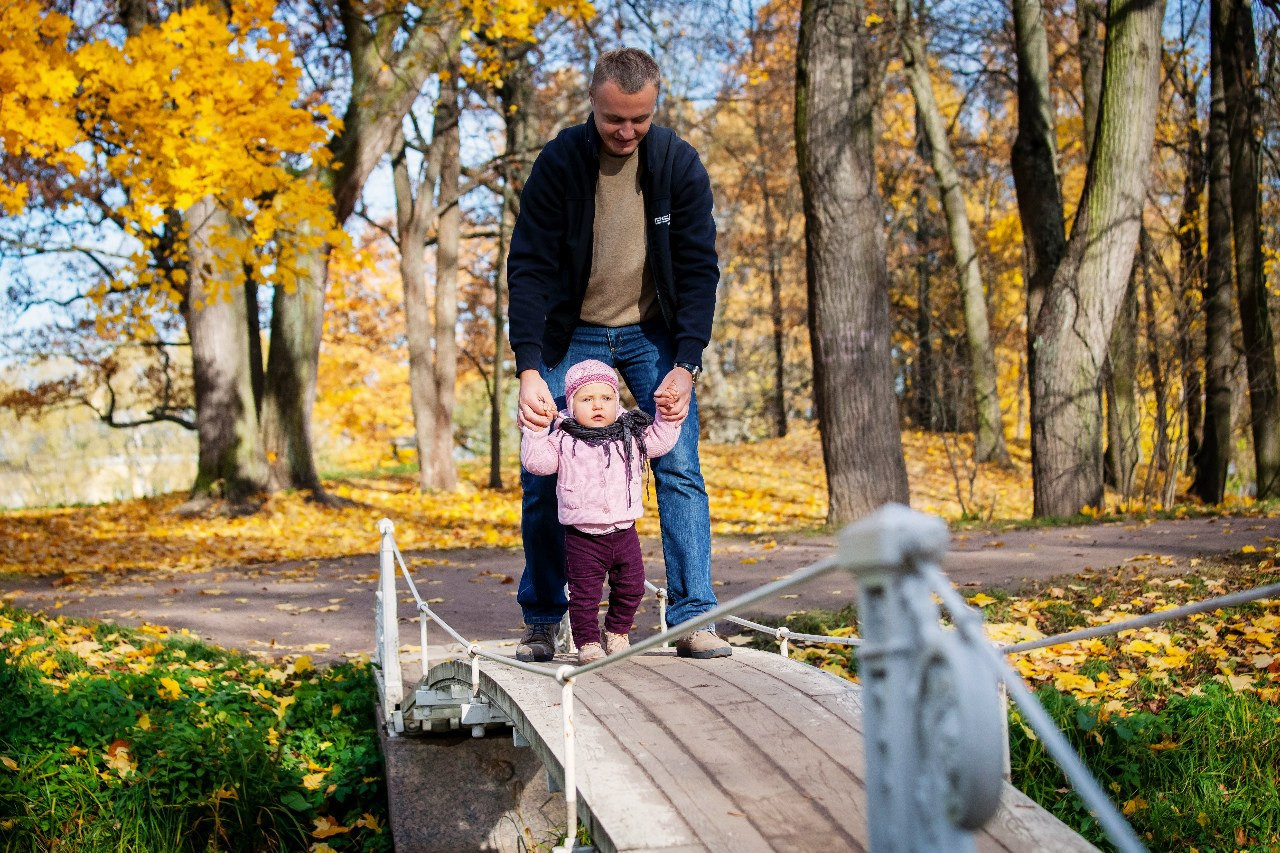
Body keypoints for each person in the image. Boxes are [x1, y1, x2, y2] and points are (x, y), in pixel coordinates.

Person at [507, 46, 730, 661]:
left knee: (680, 467)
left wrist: (686, 364)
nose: (626, 131)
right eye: (614, 120)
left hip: (651, 333)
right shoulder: (558, 164)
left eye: (639, 118)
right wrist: (529, 364)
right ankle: (545, 619)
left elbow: (698, 270)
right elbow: (527, 267)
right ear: (594, 106)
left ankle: (693, 618)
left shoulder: (678, 165)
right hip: (567, 332)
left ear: (653, 107)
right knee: (540, 472)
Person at [521, 360, 682, 664]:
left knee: (633, 587)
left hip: (624, 532)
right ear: (570, 404)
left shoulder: (630, 433)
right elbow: (536, 464)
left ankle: (617, 632)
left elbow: (660, 440)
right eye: (587, 399)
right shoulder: (563, 438)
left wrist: (667, 416)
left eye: (606, 398)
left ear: (617, 401)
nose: (598, 405)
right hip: (582, 536)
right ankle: (588, 644)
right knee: (584, 596)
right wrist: (535, 431)